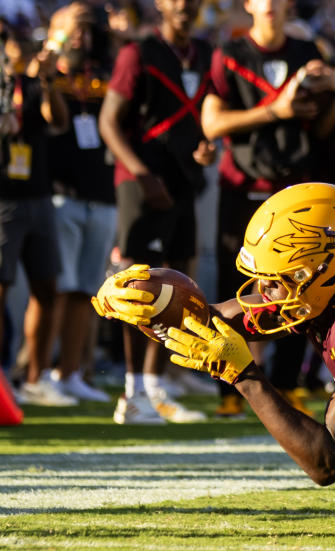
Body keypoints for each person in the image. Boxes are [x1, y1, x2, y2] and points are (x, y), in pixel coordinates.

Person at [92, 183, 335, 486]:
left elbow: (326, 461)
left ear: (320, 270)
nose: (263, 292)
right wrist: (149, 306)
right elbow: (212, 321)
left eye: (275, 280)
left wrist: (244, 377)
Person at [200, 0, 335, 419]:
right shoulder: (231, 54)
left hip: (295, 187)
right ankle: (229, 384)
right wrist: (274, 111)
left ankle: (286, 382)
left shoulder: (307, 53)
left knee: (300, 285)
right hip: (244, 183)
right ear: (248, 4)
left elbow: (323, 125)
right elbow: (212, 122)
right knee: (238, 283)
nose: (273, 5)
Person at [97, 0, 214, 424]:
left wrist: (206, 148)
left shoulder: (203, 53)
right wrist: (143, 174)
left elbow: (202, 117)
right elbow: (108, 121)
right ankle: (131, 394)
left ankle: (155, 387)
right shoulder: (138, 53)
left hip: (184, 182)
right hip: (141, 183)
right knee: (138, 284)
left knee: (179, 282)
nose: (185, 5)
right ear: (161, 4)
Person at [41, 2, 115, 403]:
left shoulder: (104, 73)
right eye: (76, 29)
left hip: (100, 193)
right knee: (55, 289)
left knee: (85, 291)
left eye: (90, 29)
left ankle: (68, 373)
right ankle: (35, 373)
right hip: (59, 193)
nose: (83, 38)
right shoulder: (45, 75)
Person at [0, 17, 71, 405]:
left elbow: (57, 120)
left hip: (38, 196)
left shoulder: (31, 83)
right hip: (4, 199)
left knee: (47, 287)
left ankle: (35, 377)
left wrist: (47, 82)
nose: (21, 47)